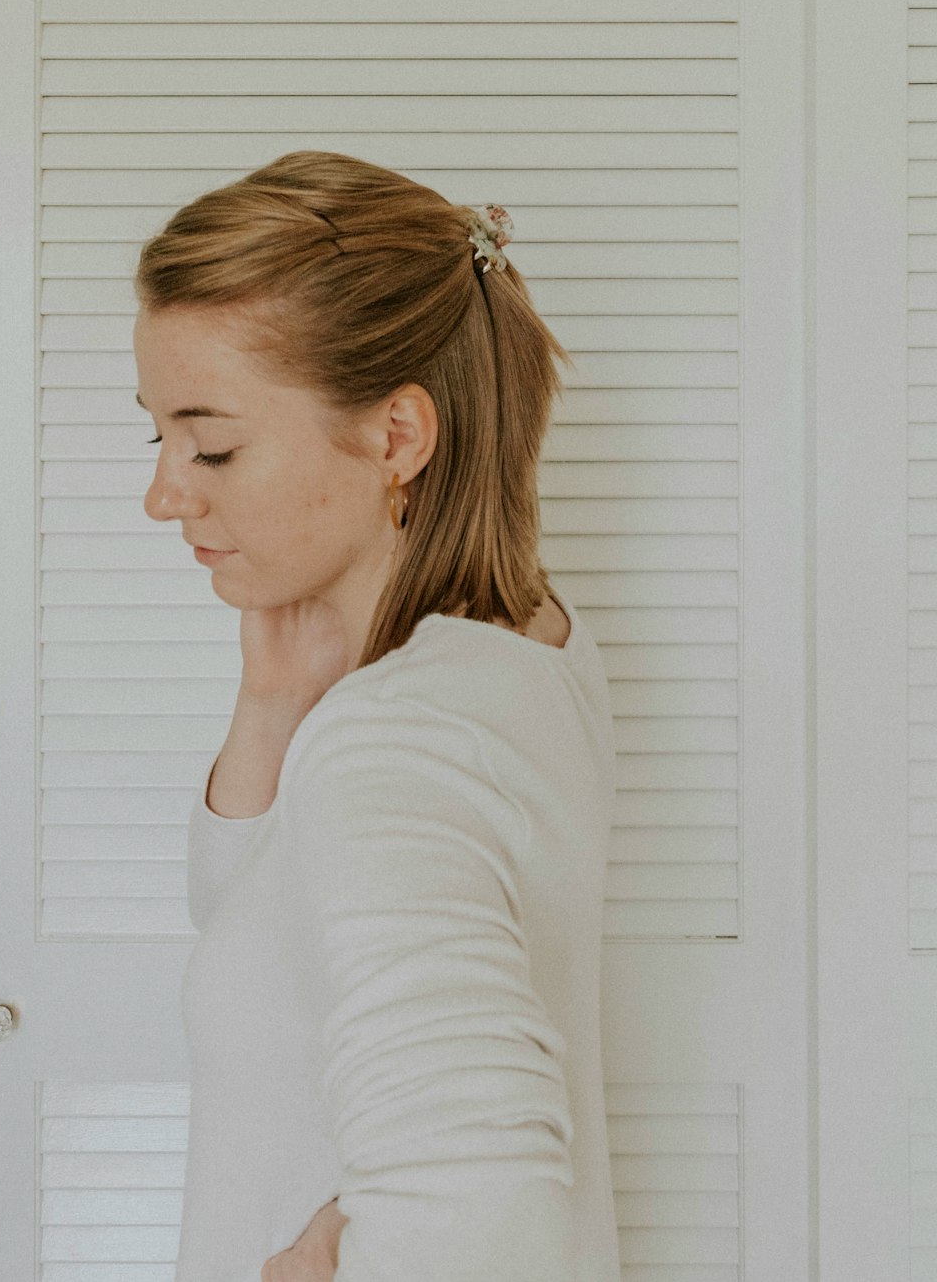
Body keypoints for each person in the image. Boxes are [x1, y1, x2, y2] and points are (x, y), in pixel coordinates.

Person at [132, 151, 622, 1282]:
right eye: (156, 436)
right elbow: (259, 914)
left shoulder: (396, 742)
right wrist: (276, 702)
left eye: (212, 445)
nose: (166, 492)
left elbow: (482, 1213)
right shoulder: (528, 647)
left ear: (397, 437)